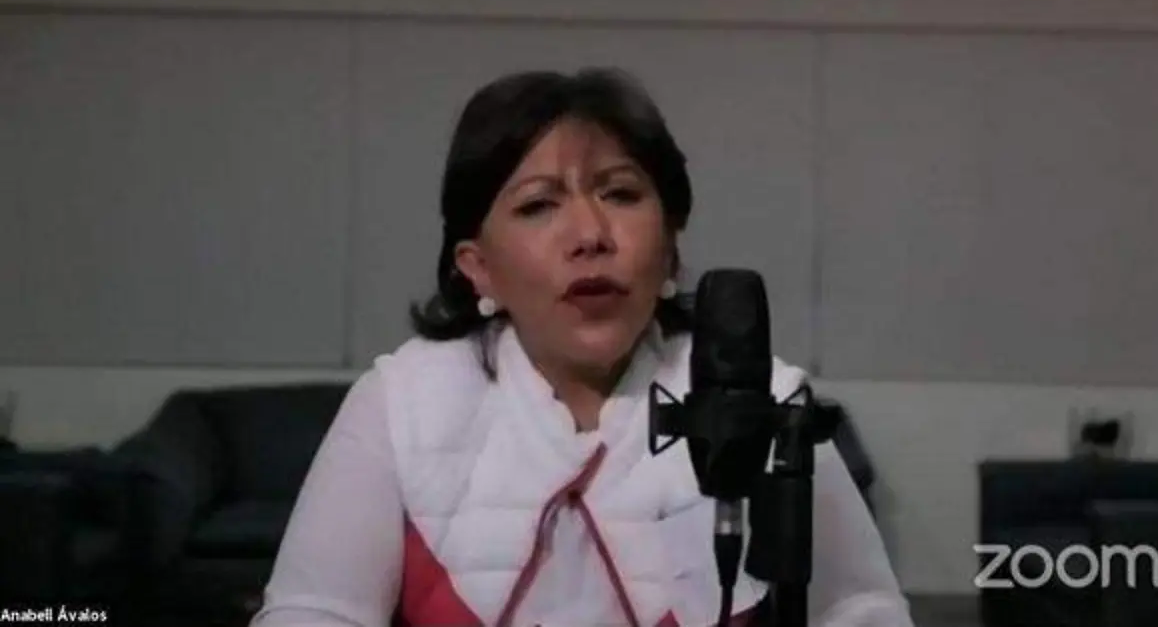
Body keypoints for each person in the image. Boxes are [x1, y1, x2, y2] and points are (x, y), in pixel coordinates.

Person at [250, 68, 913, 627]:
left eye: (620, 194)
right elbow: (312, 613)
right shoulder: (402, 403)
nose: (591, 234)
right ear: (479, 268)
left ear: (670, 247)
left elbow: (862, 609)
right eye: (539, 205)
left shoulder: (761, 396)